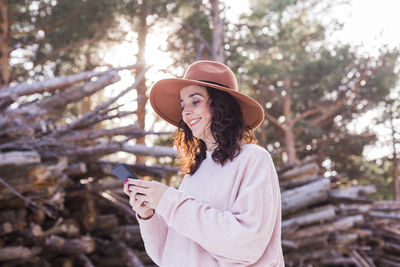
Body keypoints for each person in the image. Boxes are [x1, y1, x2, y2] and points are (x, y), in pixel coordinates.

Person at [123, 60, 285, 266]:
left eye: (195, 101)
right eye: (183, 104)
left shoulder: (254, 159)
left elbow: (245, 245)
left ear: (220, 106)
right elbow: (167, 255)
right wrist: (147, 215)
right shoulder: (194, 173)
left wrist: (168, 201)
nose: (185, 112)